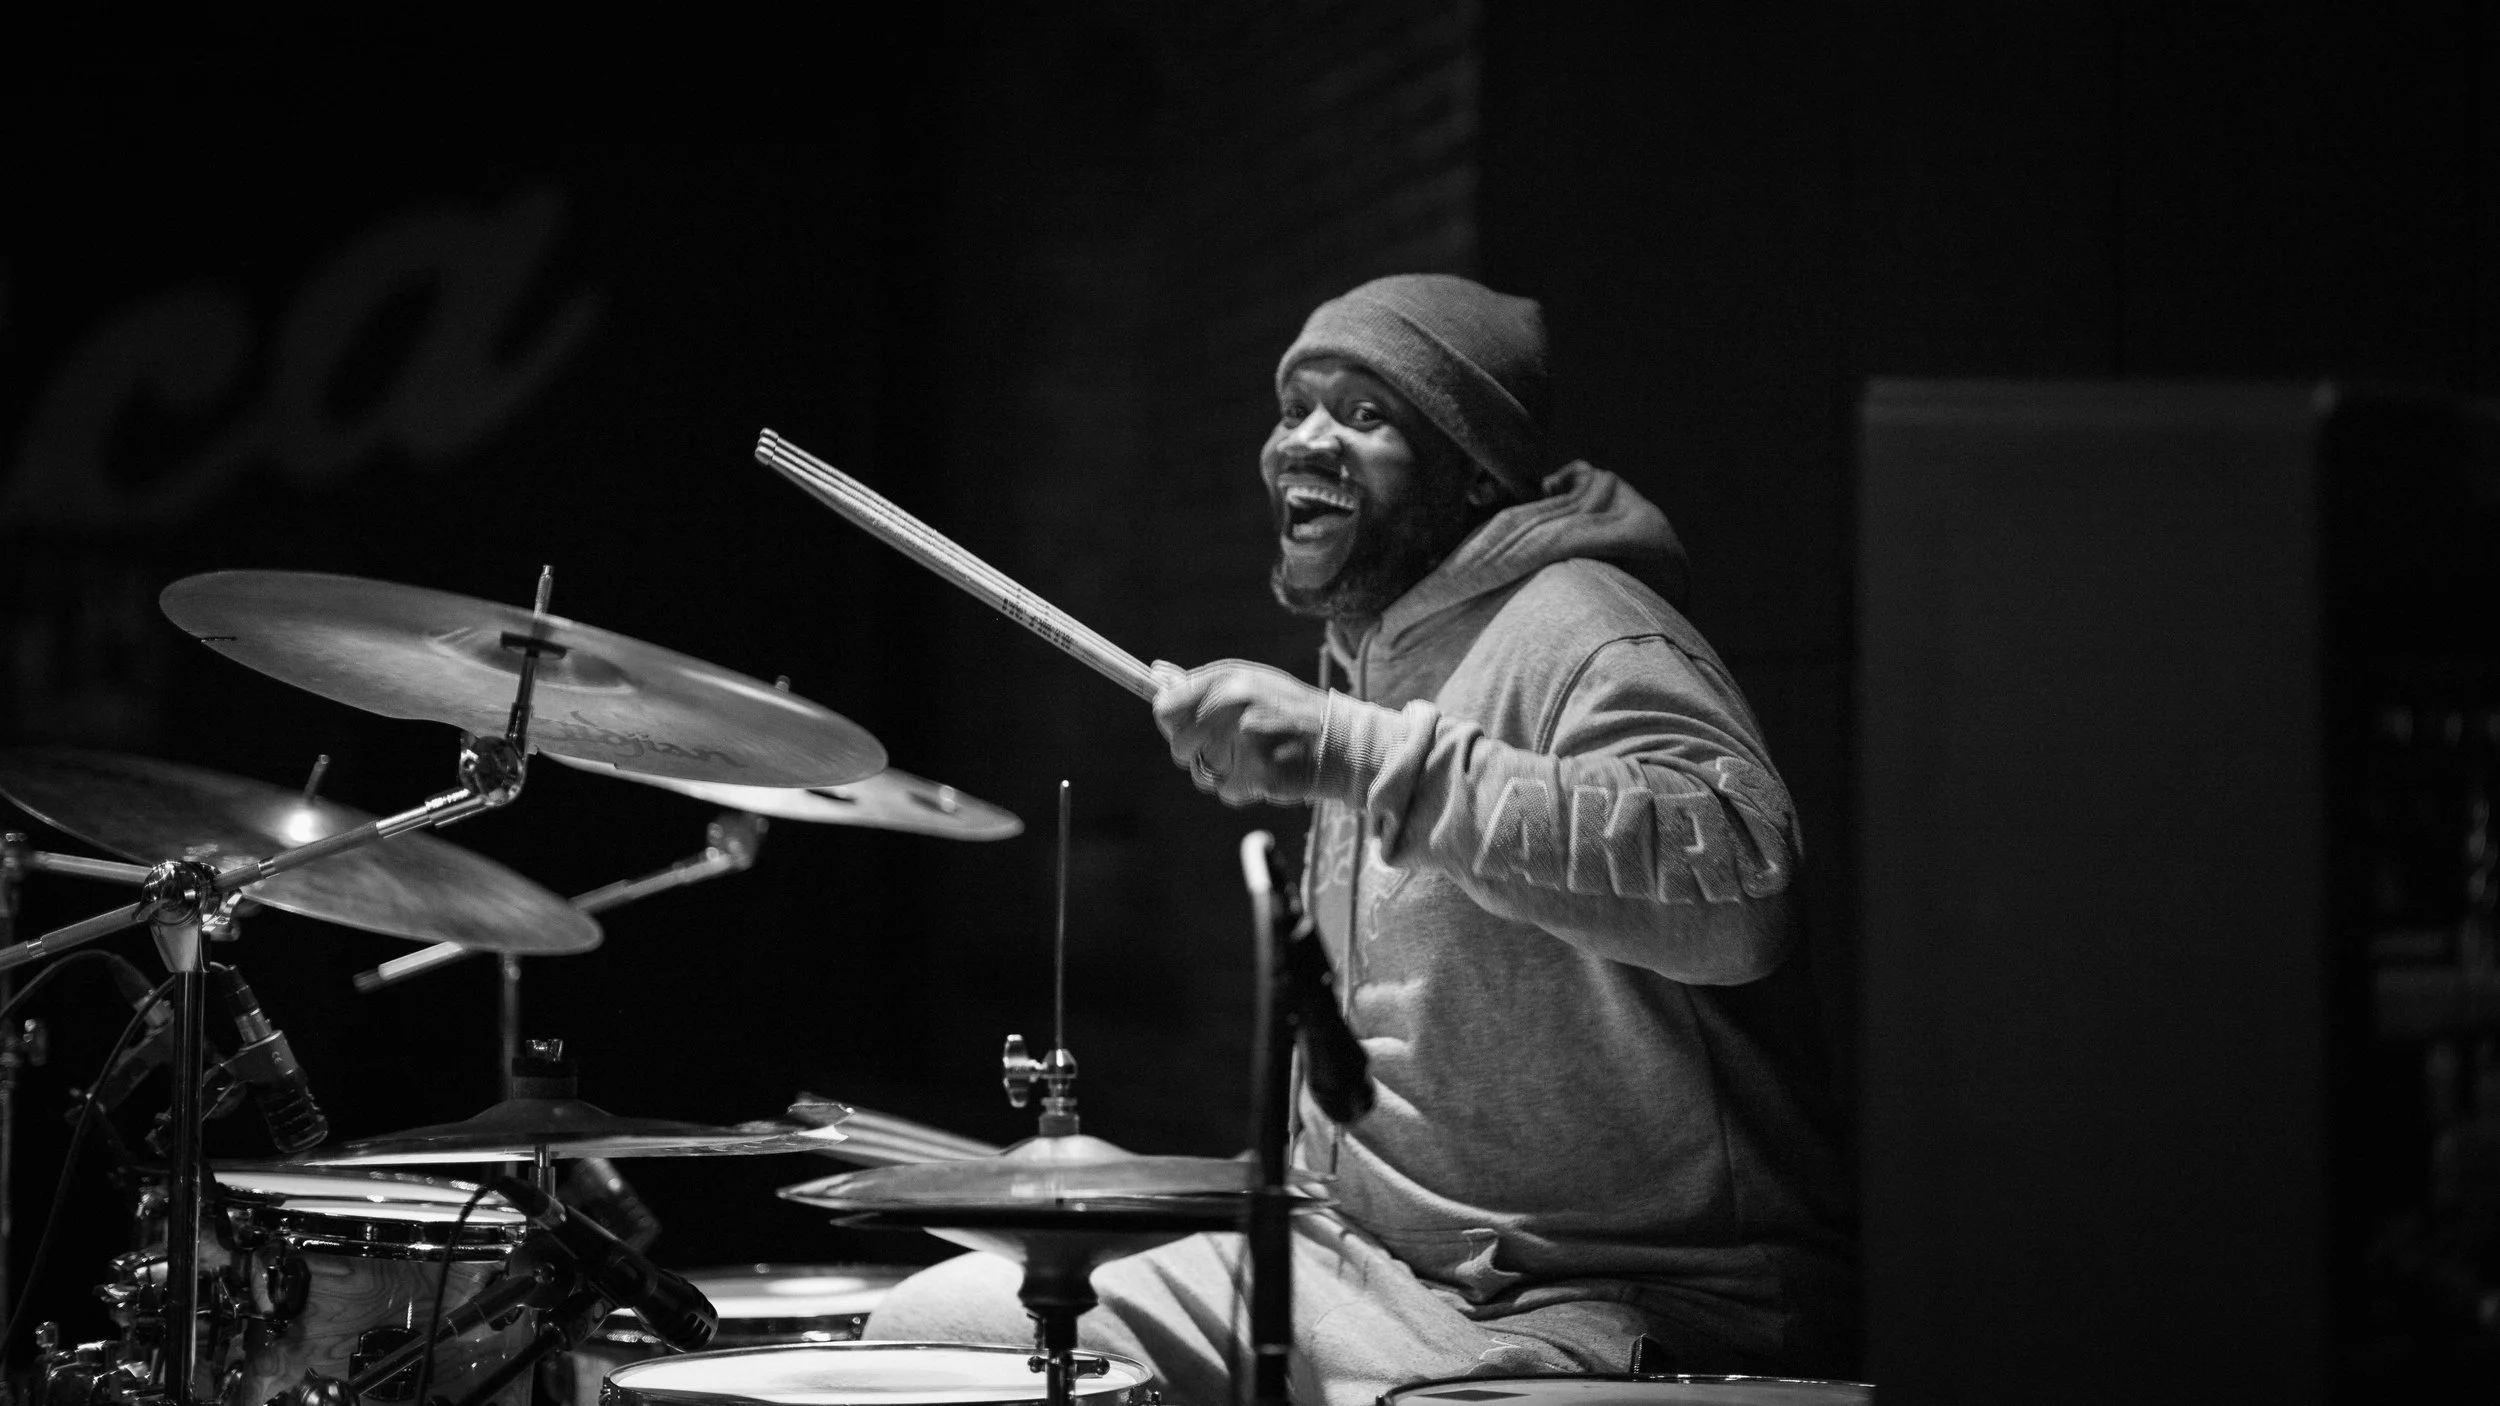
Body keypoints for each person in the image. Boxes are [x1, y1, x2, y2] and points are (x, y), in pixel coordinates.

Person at [864, 274, 1855, 1404]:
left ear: (1472, 470)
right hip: (1360, 1263)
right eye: (1295, 407)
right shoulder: (1375, 655)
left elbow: (1743, 885)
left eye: (1365, 413)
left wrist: (1355, 751)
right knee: (938, 1335)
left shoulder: (1585, 625)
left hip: (1607, 1299)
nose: (1305, 439)